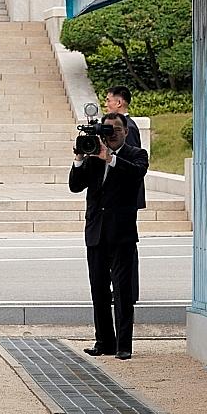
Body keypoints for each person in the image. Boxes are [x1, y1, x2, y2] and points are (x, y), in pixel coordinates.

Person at [69, 111, 149, 360]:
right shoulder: (93, 156)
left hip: (122, 234)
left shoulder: (136, 155)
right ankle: (104, 341)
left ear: (126, 131)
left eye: (116, 129)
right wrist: (80, 158)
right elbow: (75, 185)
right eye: (107, 129)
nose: (111, 134)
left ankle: (124, 345)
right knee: (99, 290)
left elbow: (136, 174)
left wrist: (111, 158)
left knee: (123, 292)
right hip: (96, 233)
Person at [105, 85, 147, 209]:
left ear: (119, 103)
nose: (106, 104)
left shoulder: (129, 127)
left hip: (126, 195)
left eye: (108, 100)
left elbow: (133, 162)